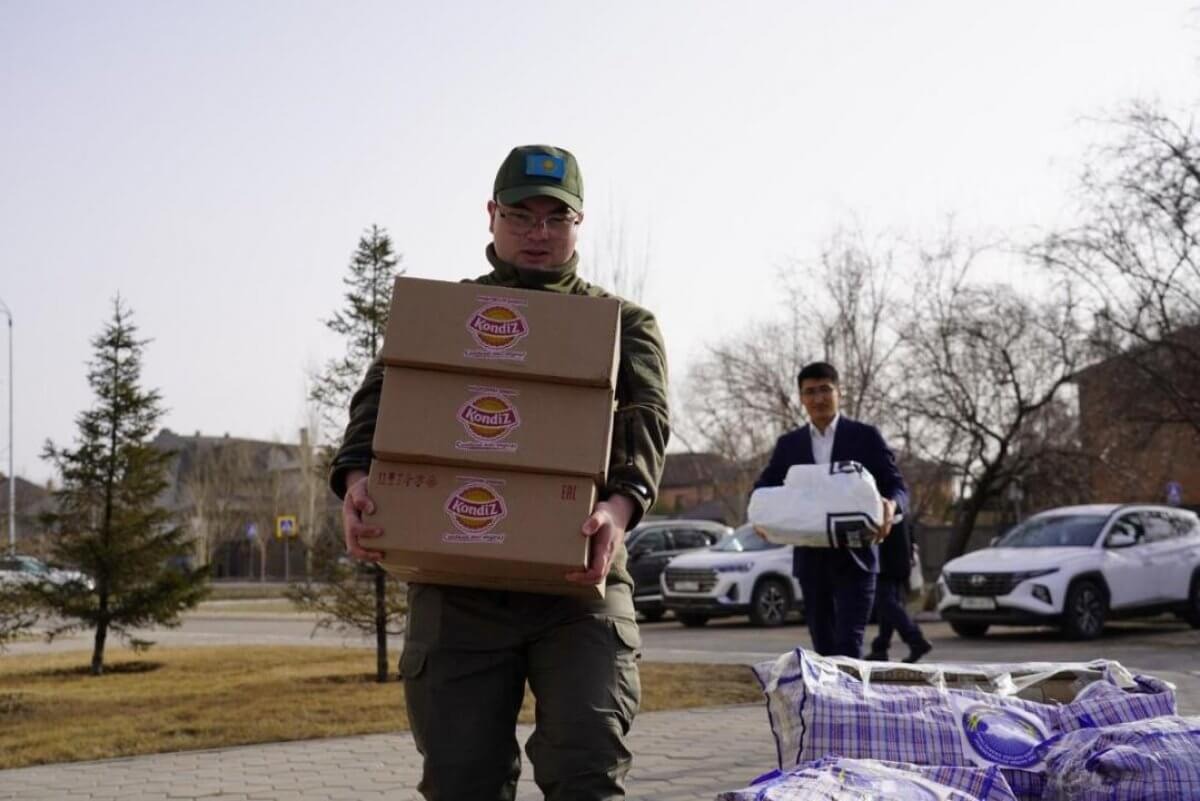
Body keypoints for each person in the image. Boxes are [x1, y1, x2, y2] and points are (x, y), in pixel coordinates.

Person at [329, 144, 670, 801]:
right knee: (462, 781)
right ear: (491, 215)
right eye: (521, 215)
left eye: (555, 218)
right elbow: (378, 406)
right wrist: (355, 482)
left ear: (579, 222)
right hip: (458, 585)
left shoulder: (623, 324)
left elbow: (648, 421)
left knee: (587, 770)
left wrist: (619, 510)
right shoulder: (441, 318)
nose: (538, 233)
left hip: (582, 578)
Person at [752, 361, 907, 659]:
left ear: (840, 393)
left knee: (848, 647)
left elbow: (897, 486)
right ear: (801, 398)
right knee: (823, 649)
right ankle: (830, 706)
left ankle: (851, 704)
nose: (818, 398)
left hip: (857, 559)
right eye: (810, 392)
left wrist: (891, 506)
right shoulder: (790, 445)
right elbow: (763, 487)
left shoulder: (865, 437)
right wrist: (760, 516)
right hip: (812, 560)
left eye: (825, 389)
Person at [864, 517, 932, 663]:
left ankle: (916, 639)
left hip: (887, 556)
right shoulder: (899, 496)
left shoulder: (885, 496)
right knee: (888, 601)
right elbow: (909, 525)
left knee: (885, 601)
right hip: (898, 555)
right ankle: (881, 648)